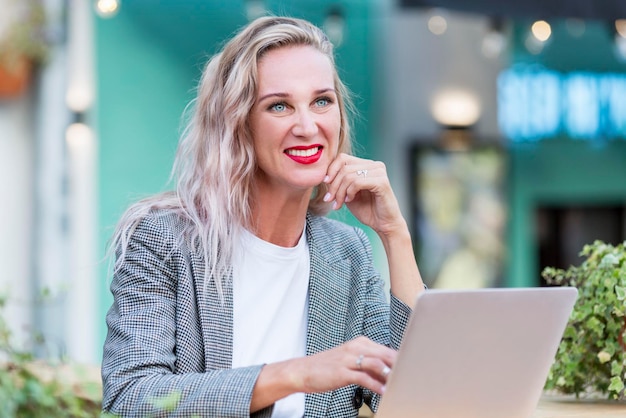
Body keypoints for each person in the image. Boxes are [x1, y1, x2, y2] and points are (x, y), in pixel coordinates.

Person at [101, 15, 425, 418]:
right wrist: (298, 374)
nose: (308, 126)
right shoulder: (163, 239)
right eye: (279, 106)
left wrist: (394, 233)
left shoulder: (347, 253)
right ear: (239, 124)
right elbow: (132, 399)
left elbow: (412, 397)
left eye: (322, 101)